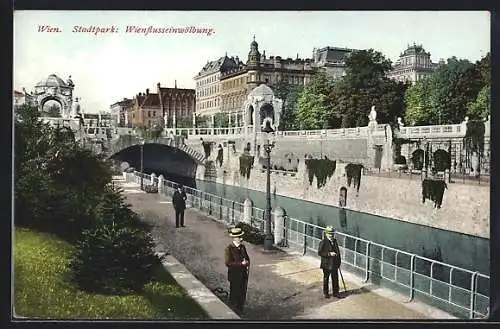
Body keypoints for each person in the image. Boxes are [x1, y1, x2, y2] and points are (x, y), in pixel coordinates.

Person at [225, 227, 250, 313]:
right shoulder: (229, 249)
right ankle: (232, 311)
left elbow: (247, 258)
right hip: (234, 275)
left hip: (243, 274)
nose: (241, 239)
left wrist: (247, 262)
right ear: (234, 238)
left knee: (242, 293)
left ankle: (240, 309)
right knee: (234, 293)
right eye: (239, 237)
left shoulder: (242, 247)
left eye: (241, 237)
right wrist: (241, 264)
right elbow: (228, 263)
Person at [317, 226, 342, 298]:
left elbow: (338, 252)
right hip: (326, 264)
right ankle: (326, 293)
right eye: (329, 234)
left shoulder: (335, 241)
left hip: (334, 264)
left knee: (335, 279)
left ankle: (336, 292)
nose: (331, 235)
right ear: (326, 234)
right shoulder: (323, 242)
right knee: (326, 279)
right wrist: (329, 254)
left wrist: (338, 263)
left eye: (332, 234)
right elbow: (320, 252)